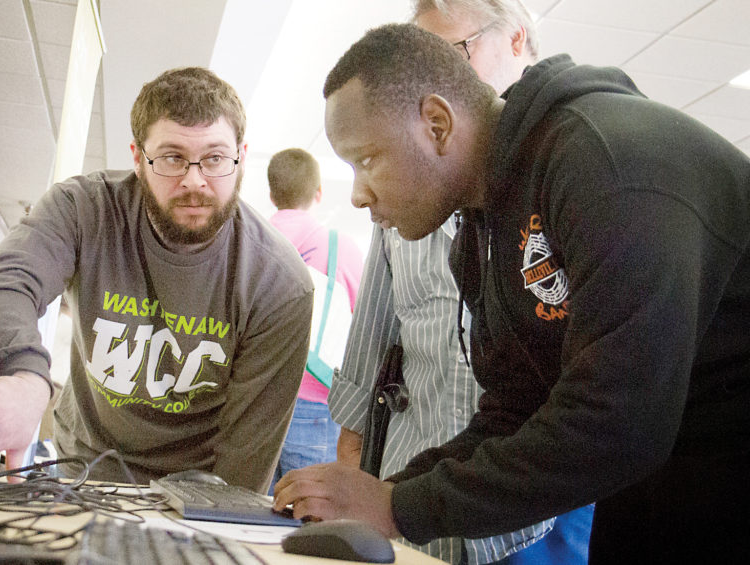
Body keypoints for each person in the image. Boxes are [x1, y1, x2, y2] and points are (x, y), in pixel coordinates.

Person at [273, 22, 750, 564]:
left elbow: (619, 423)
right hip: (667, 462)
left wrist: (401, 505)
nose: (358, 194)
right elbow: (519, 407)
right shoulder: (483, 228)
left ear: (436, 123)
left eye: (366, 160)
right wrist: (386, 494)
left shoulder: (607, 165)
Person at [0, 67, 315, 493]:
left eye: (214, 158)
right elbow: (3, 280)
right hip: (82, 466)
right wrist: (23, 375)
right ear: (138, 159)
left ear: (241, 157)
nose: (195, 180)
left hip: (194, 486)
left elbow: (244, 462)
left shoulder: (280, 283)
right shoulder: (83, 209)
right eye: (172, 157)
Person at [327, 1, 592, 563]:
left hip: (535, 513)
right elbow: (371, 341)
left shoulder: (575, 181)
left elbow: (599, 406)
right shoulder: (403, 203)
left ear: (518, 39)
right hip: (418, 480)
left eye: (449, 54)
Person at [265, 148, 364, 491]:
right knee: (311, 512)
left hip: (256, 401)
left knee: (247, 509)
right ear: (318, 192)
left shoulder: (250, 242)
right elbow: (364, 326)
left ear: (271, 193)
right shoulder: (341, 248)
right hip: (316, 401)